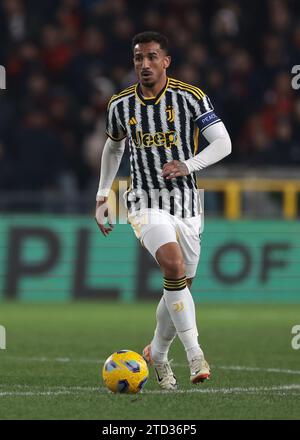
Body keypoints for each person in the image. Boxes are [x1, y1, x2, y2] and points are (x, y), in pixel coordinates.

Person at [95, 31, 231, 390]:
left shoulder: (190, 97)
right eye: (138, 58)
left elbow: (223, 143)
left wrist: (188, 164)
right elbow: (113, 148)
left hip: (187, 204)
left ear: (166, 61)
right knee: (171, 265)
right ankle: (195, 353)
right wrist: (101, 195)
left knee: (181, 286)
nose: (144, 65)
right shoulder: (120, 105)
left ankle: (156, 352)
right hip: (143, 200)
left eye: (152, 57)